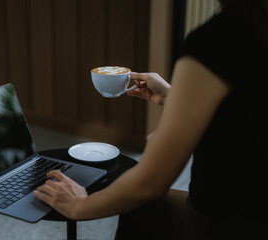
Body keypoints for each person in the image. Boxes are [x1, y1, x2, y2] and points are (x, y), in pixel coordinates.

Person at [34, 0, 268, 239]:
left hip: (225, 224)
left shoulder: (221, 39)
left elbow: (150, 183)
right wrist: (175, 97)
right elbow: (247, 115)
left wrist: (79, 206)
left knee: (134, 203)